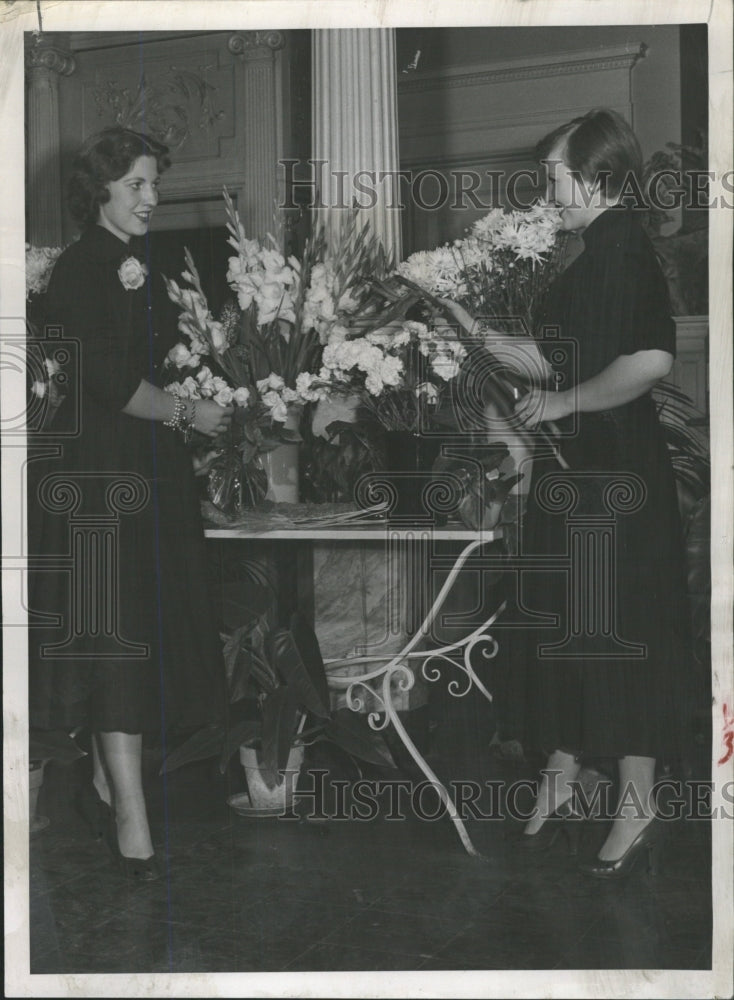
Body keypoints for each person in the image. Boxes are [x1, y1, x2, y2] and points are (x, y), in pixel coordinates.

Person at [28, 127, 233, 880]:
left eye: (154, 184)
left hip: (142, 473)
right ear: (102, 192)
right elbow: (110, 386)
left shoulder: (131, 265)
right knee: (118, 643)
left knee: (137, 636)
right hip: (101, 483)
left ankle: (110, 789)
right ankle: (130, 815)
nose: (153, 197)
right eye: (137, 185)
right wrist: (191, 414)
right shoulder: (83, 271)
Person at [506, 108, 692, 877]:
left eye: (555, 175)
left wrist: (562, 401)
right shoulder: (590, 256)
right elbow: (560, 361)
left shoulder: (625, 252)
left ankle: (639, 800)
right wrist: (481, 343)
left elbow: (649, 361)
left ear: (597, 176)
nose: (548, 189)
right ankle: (567, 775)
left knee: (622, 629)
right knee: (579, 624)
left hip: (617, 476)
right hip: (581, 476)